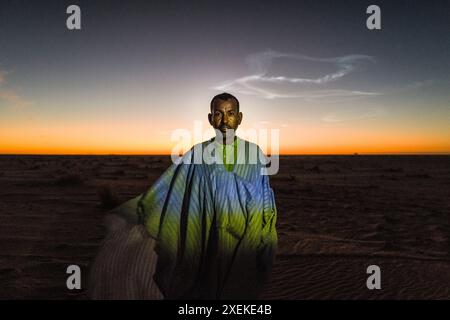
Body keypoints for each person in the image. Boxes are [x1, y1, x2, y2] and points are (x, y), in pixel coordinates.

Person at [88, 93, 278, 299]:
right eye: (218, 114)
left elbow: (263, 198)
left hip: (243, 239)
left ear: (240, 118)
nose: (224, 120)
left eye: (230, 113)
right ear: (210, 118)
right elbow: (172, 187)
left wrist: (262, 230)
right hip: (207, 236)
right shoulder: (197, 153)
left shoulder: (255, 153)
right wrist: (141, 210)